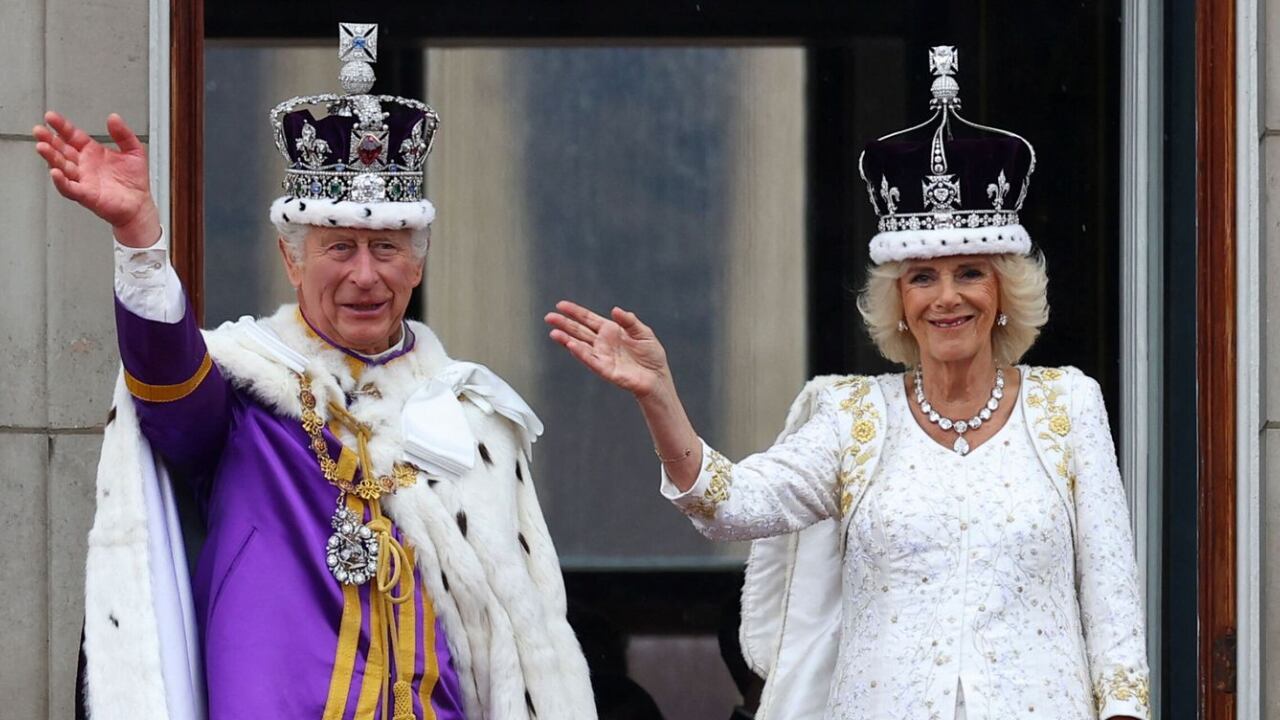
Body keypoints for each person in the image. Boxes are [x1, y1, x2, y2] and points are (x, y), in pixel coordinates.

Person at [546, 46, 1149, 720]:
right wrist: (659, 395)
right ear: (900, 301)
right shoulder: (852, 417)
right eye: (923, 277)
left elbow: (1114, 608)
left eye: (970, 272)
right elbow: (730, 507)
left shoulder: (1067, 405)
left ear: (1005, 289)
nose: (947, 297)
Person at [38, 22, 594, 720]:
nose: (365, 274)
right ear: (292, 258)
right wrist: (141, 241)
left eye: (387, 248)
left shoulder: (473, 416)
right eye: (339, 247)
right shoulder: (247, 394)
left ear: (417, 264)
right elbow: (165, 383)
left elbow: (519, 640)